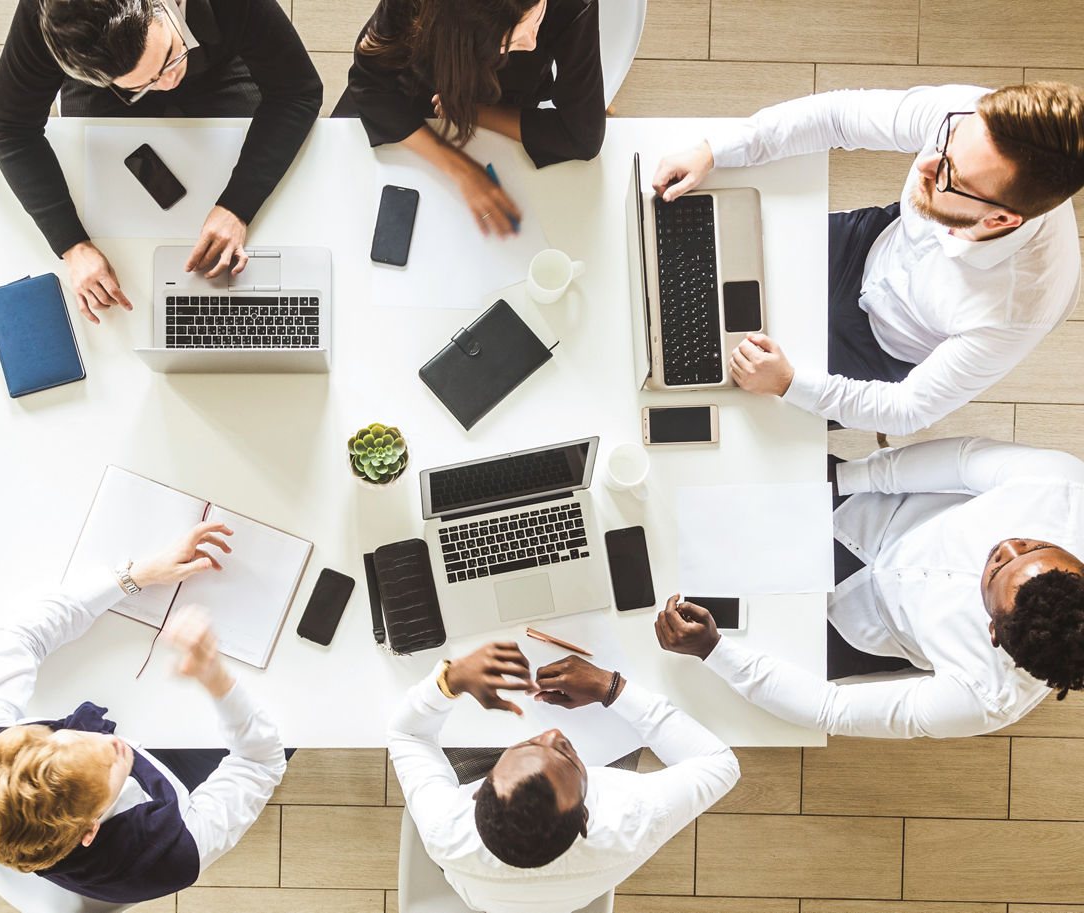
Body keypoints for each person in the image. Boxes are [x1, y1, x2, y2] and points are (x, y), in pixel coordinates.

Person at [652, 83, 1084, 435]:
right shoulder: (971, 117)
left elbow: (908, 409)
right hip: (871, 246)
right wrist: (714, 151)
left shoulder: (1015, 312)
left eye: (949, 174)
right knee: (700, 261)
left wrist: (788, 383)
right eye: (948, 139)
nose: (925, 162)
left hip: (881, 349)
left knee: (731, 407)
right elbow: (838, 116)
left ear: (1000, 219)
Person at [0, 521, 285, 903]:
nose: (111, 739)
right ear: (91, 830)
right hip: (180, 790)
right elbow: (261, 763)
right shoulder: (170, 855)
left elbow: (22, 635)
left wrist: (135, 576)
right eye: (111, 761)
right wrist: (216, 678)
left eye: (64, 735)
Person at [657, 437, 1084, 740]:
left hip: (856, 627)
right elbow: (960, 461)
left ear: (993, 630)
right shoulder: (1063, 487)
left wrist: (713, 649)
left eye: (995, 570)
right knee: (688, 482)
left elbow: (831, 710)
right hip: (868, 510)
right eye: (1034, 545)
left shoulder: (986, 697)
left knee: (695, 660)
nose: (1007, 545)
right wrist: (837, 479)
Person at [0, 0, 322, 323]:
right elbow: (9, 129)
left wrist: (237, 207)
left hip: (215, 62)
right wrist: (72, 245)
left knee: (269, 213)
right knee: (117, 231)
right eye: (151, 81)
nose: (169, 83)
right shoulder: (48, 16)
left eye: (167, 57)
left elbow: (297, 92)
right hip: (109, 88)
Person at [389, 640, 739, 913]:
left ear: (477, 793)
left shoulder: (445, 828)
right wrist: (609, 686)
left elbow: (408, 734)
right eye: (568, 754)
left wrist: (450, 680)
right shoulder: (630, 821)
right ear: (584, 816)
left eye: (528, 744)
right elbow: (719, 763)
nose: (553, 732)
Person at [334, 0, 605, 237]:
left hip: (507, 98)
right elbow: (368, 83)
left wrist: (474, 112)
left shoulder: (570, 5)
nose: (532, 43)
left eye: (537, 18)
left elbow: (582, 137)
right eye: (511, 41)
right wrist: (462, 169)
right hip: (413, 93)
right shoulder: (420, 8)